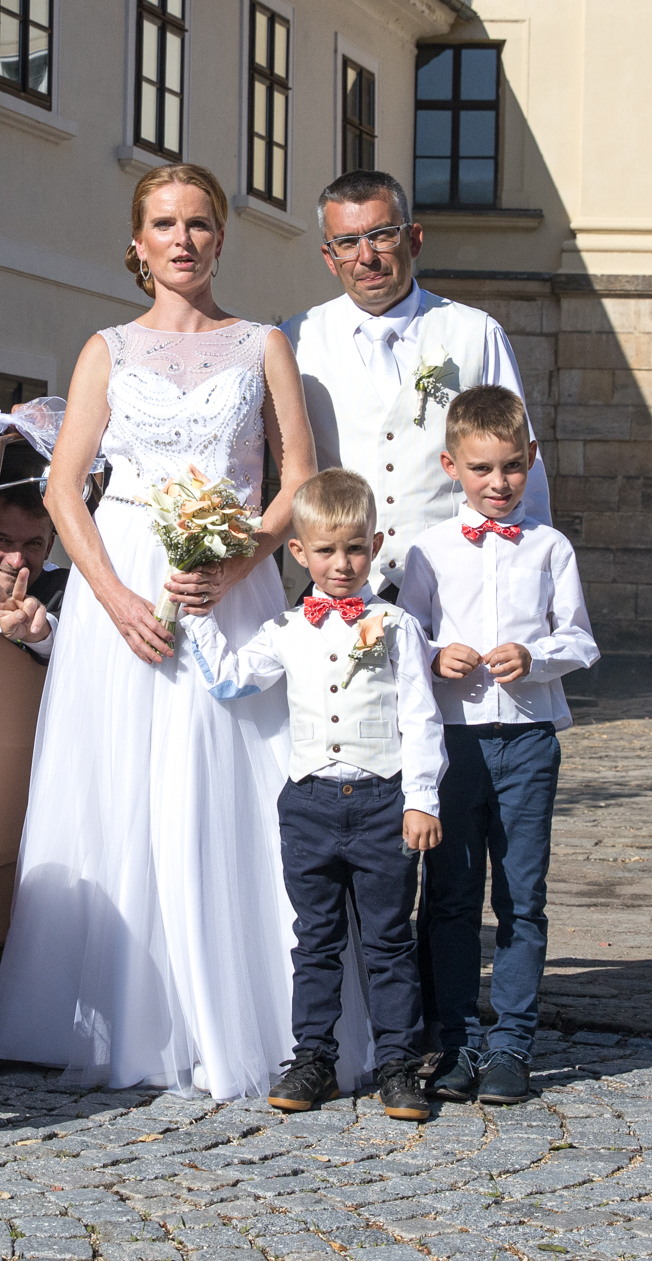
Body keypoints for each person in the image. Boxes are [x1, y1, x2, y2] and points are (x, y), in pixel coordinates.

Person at [0, 162, 320, 1099]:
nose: (183, 239)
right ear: (138, 244)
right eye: (165, 224)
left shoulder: (263, 345)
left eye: (200, 223)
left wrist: (236, 563)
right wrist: (114, 597)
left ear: (221, 237)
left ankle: (242, 1014)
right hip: (125, 578)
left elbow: (298, 479)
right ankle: (125, 1015)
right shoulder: (106, 349)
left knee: (225, 788)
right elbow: (64, 487)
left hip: (227, 581)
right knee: (120, 784)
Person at [180, 468, 446, 1121]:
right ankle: (314, 1058)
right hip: (309, 806)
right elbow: (233, 681)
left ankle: (398, 1064)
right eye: (326, 550)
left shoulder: (397, 626)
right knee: (316, 940)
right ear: (299, 551)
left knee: (388, 941)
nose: (342, 563)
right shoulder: (285, 628)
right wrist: (199, 617)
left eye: (355, 548)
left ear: (375, 545)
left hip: (383, 803)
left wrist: (421, 799)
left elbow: (421, 717)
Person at [398, 386, 599, 1106]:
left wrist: (536, 656)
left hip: (528, 742)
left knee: (522, 894)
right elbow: (403, 641)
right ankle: (453, 1039)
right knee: (449, 895)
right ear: (452, 465)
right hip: (452, 745)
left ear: (531, 459)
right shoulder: (427, 551)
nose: (498, 482)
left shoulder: (550, 547)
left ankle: (513, 1042)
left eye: (512, 466)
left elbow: (581, 639)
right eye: (482, 468)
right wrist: (434, 655)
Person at [280, 170, 550, 599]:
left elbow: (521, 467)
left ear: (414, 239)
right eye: (347, 243)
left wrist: (532, 584)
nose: (366, 257)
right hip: (342, 591)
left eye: (382, 235)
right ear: (330, 258)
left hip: (459, 588)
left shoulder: (476, 333)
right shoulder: (295, 340)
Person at [0, 446, 69, 659]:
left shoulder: (65, 591)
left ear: (49, 547)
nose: (17, 561)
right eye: (2, 540)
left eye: (33, 544)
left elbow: (75, 644)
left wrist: (38, 633)